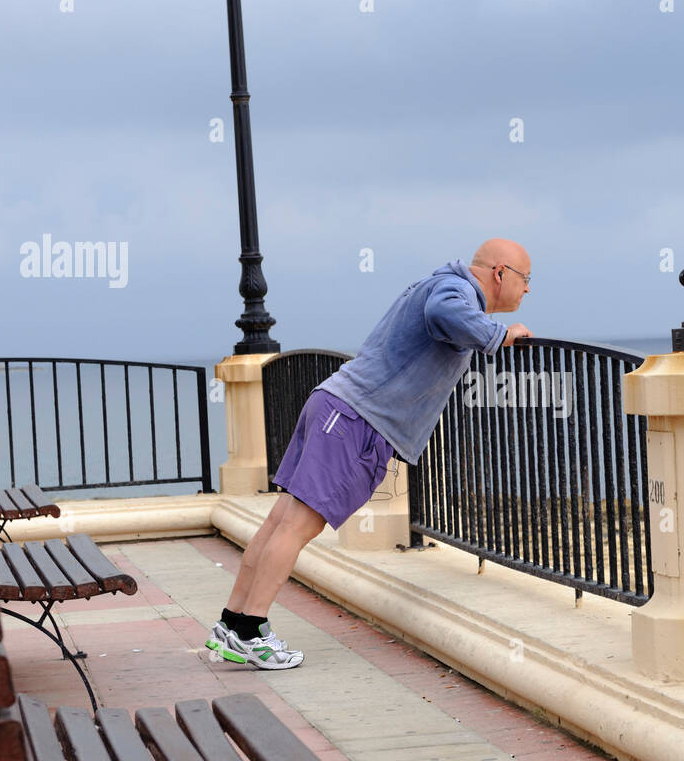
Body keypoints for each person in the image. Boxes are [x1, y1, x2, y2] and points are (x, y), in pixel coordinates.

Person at [205, 238, 534, 668]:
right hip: (352, 419)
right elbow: (445, 314)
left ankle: (233, 623)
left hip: (334, 407)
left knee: (279, 524)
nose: (527, 291)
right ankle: (249, 631)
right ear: (500, 273)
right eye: (526, 280)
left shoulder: (439, 283)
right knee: (293, 529)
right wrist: (500, 334)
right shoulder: (455, 291)